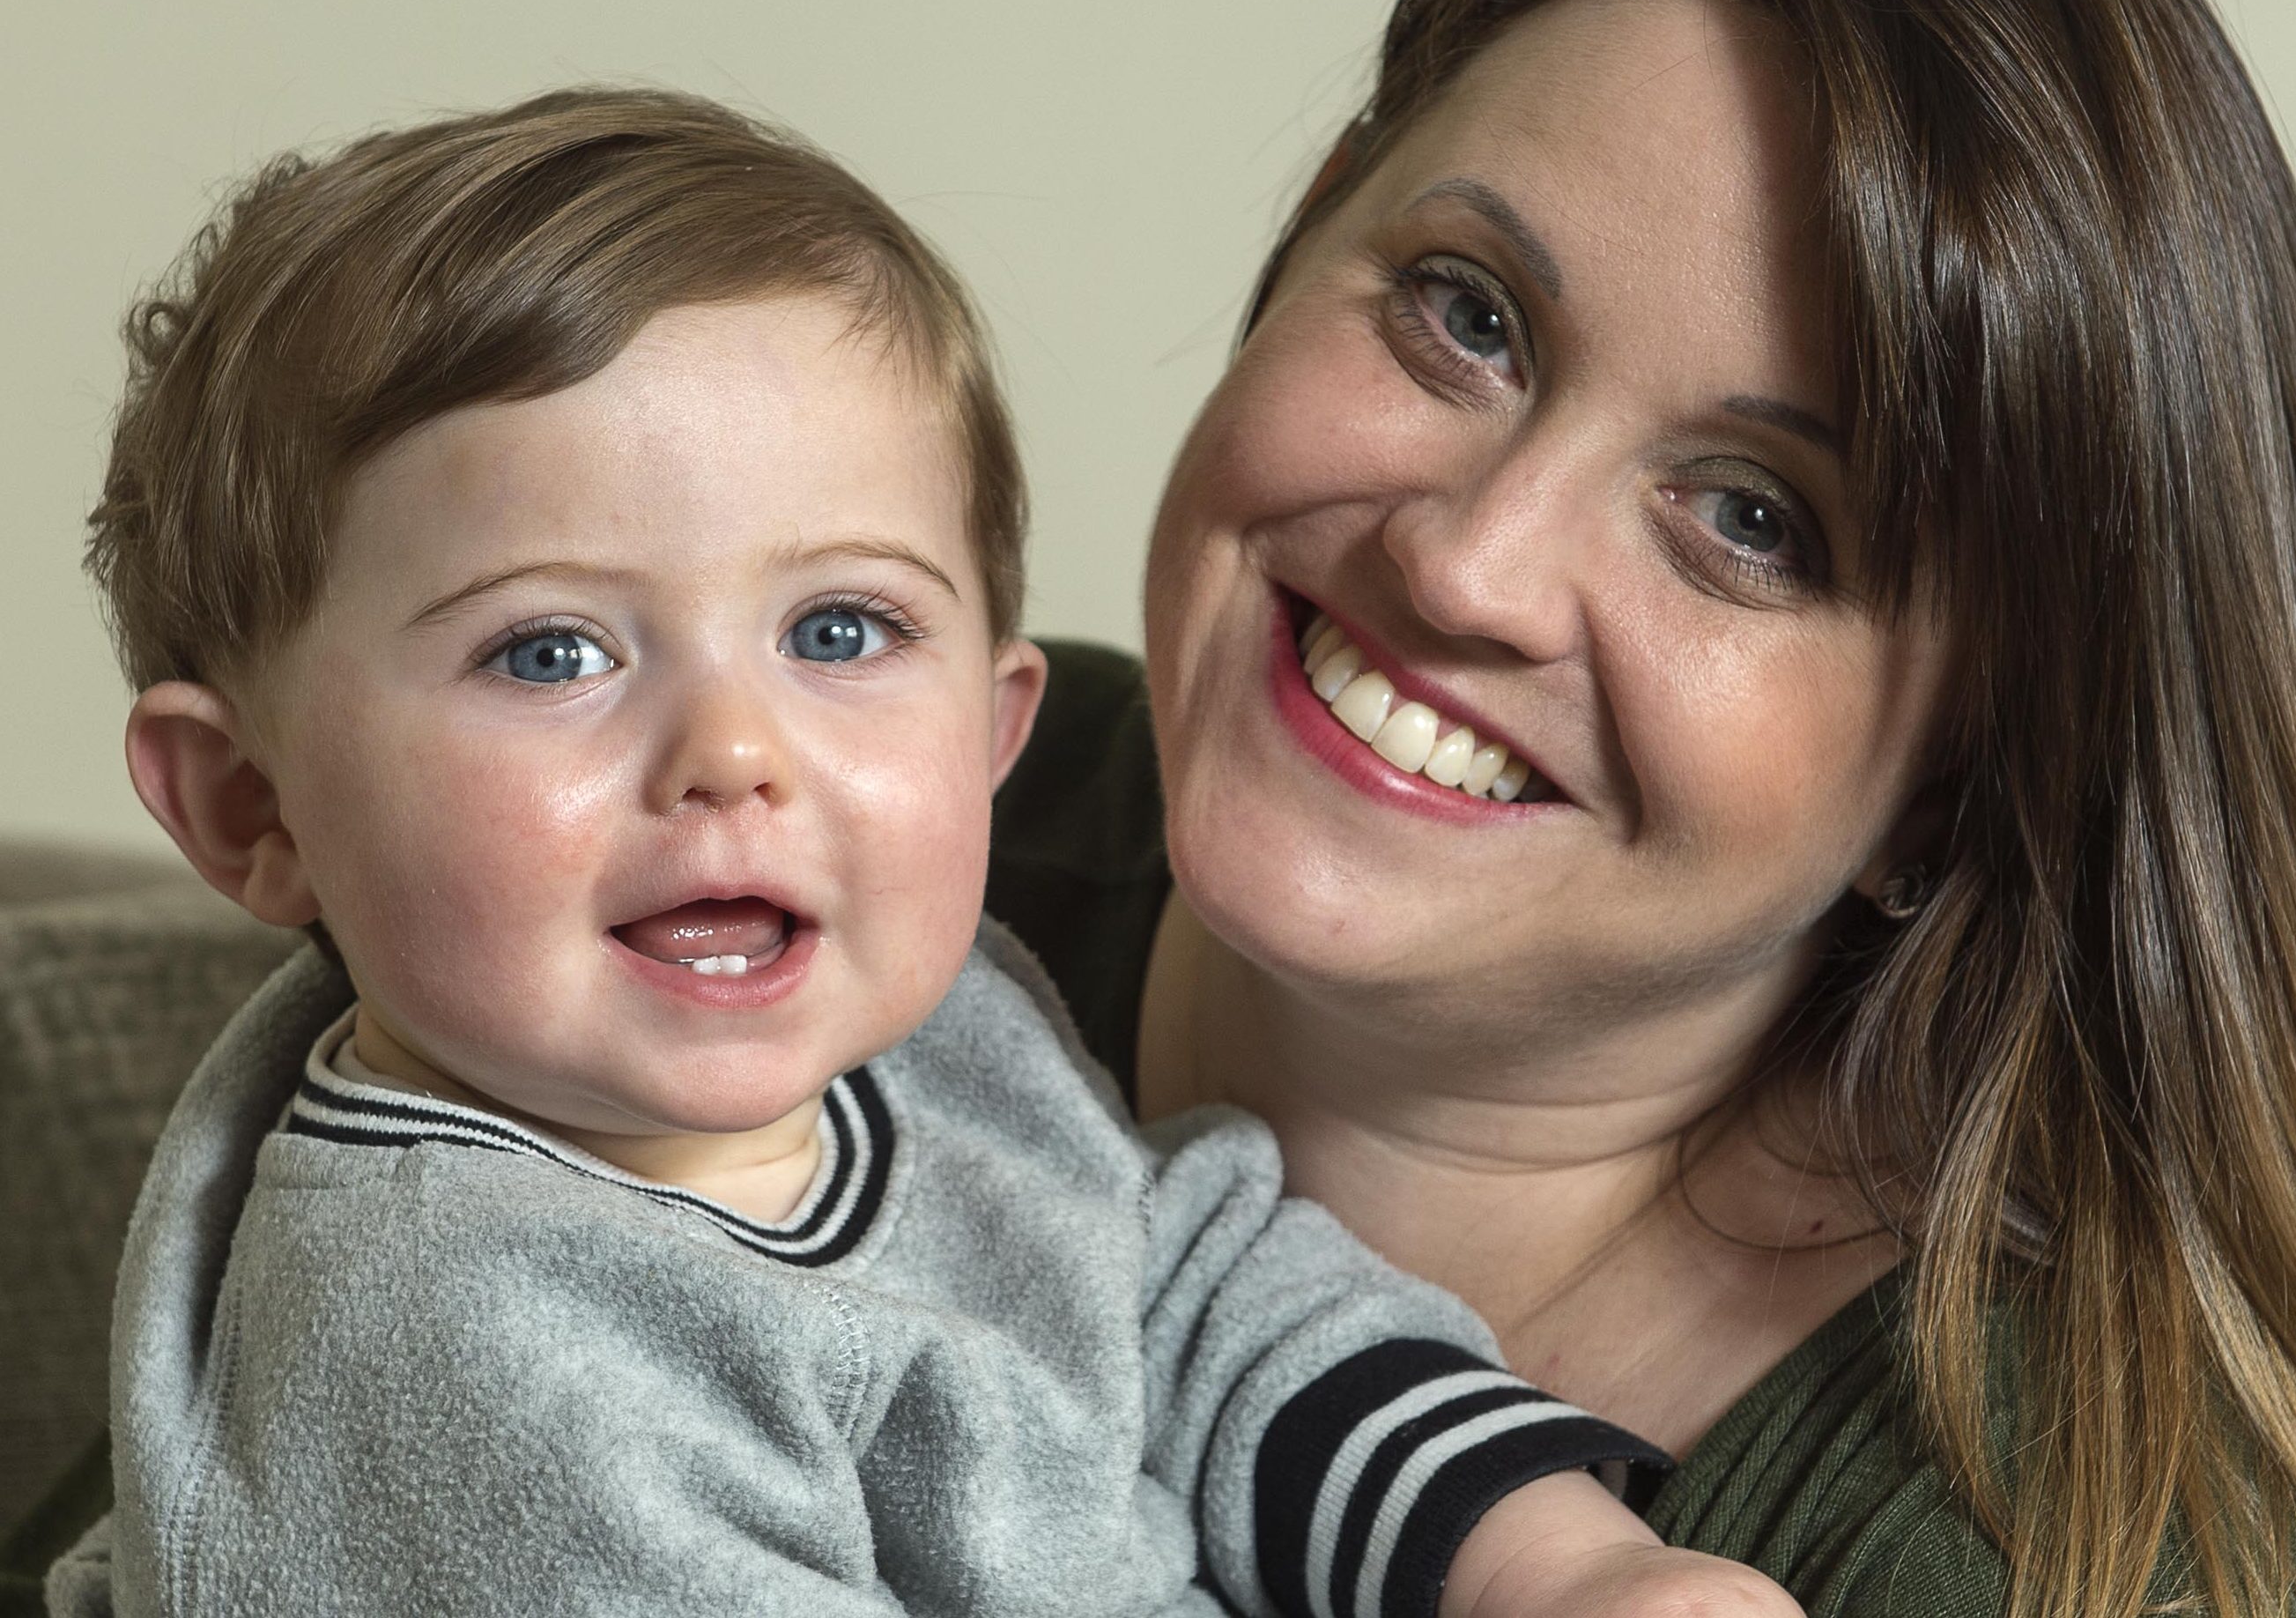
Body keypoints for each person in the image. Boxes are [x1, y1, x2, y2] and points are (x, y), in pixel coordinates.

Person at [979, 0, 2296, 1618]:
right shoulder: (789, 815)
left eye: (1753, 524)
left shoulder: (2062, 1560)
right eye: (1466, 315)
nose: (1473, 567)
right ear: (1315, 229)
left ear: (1964, 781)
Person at [41, 87, 1796, 1618]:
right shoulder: (460, 1368)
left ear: (992, 731)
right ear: (250, 811)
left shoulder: (933, 1036)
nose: (734, 756)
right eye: (550, 653)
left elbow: (1176, 1292)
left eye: (839, 633)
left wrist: (1553, 1564)